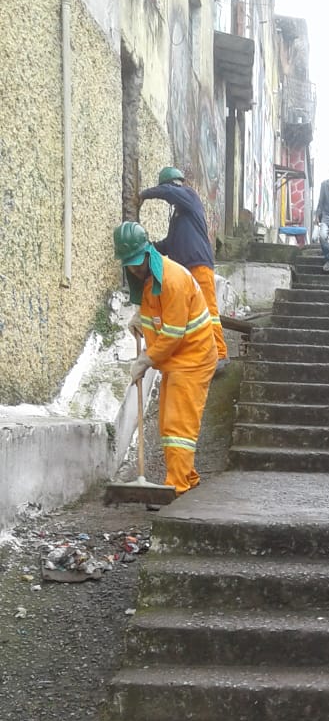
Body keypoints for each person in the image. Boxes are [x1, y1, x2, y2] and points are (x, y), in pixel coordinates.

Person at [113, 220, 217, 495]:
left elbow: (171, 334)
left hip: (194, 358)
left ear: (148, 252)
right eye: (129, 265)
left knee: (177, 425)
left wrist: (145, 360)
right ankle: (187, 476)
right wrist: (141, 320)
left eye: (137, 262)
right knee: (167, 424)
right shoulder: (150, 280)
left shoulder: (172, 279)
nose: (134, 269)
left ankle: (177, 486)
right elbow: (156, 315)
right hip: (178, 359)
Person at [138, 167, 229, 373]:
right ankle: (203, 356)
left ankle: (221, 355)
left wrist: (145, 195)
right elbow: (169, 244)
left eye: (167, 189)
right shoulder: (179, 217)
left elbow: (171, 193)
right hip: (185, 272)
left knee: (209, 312)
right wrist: (149, 248)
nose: (169, 197)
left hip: (198, 265)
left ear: (172, 185)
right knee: (194, 316)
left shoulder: (189, 196)